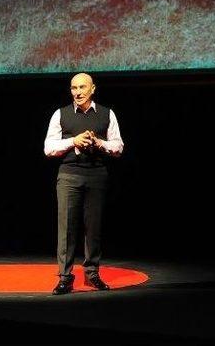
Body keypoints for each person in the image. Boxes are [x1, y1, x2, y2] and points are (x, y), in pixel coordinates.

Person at [44, 73, 124, 295]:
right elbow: (48, 147)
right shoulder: (61, 114)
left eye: (81, 87)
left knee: (94, 227)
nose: (77, 92)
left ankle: (92, 274)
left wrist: (99, 143)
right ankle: (65, 277)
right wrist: (73, 141)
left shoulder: (107, 114)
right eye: (73, 88)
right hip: (69, 175)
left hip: (97, 175)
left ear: (92, 89)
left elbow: (118, 146)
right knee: (67, 229)